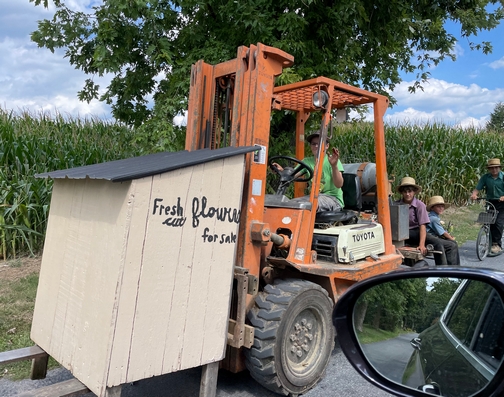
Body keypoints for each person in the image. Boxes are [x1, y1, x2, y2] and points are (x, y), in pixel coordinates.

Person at [274, 131, 344, 212]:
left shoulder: (333, 161)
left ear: (327, 146)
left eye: (320, 143)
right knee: (290, 203)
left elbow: (339, 184)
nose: (316, 146)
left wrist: (334, 166)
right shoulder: (307, 161)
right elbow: (293, 175)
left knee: (311, 204)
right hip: (314, 197)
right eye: (313, 144)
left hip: (333, 199)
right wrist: (282, 171)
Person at [396, 177, 449, 266]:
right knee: (440, 243)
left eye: (410, 191)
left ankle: (447, 271)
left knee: (445, 244)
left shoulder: (420, 205)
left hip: (416, 232)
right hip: (401, 233)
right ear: (402, 192)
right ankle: (443, 271)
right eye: (405, 192)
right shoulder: (396, 204)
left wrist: (421, 244)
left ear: (414, 192)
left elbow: (422, 226)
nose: (407, 194)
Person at [470, 158, 504, 254]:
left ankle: (497, 244)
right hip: (490, 202)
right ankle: (490, 243)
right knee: (489, 222)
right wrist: (474, 194)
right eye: (492, 168)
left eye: (496, 168)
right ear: (489, 169)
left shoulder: (503, 177)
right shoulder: (485, 177)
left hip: (502, 203)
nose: (494, 170)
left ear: (499, 168)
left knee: (498, 222)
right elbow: (478, 188)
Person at [426, 196, 460, 266]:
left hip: (433, 238)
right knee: (452, 244)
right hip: (430, 239)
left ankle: (455, 266)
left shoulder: (434, 217)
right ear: (432, 208)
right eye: (438, 206)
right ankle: (452, 268)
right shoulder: (433, 219)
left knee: (452, 243)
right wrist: (451, 238)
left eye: (442, 206)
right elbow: (443, 233)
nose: (441, 208)